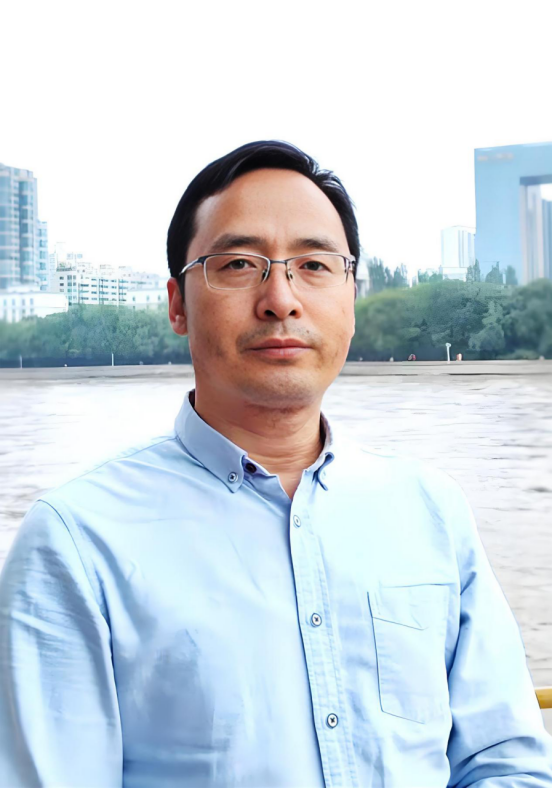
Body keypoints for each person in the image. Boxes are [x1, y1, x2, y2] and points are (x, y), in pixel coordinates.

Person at [0, 141, 551, 788]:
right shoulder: (78, 541)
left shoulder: (430, 510)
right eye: (239, 263)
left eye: (314, 265)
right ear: (177, 305)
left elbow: (503, 761)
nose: (280, 299)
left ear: (350, 298)